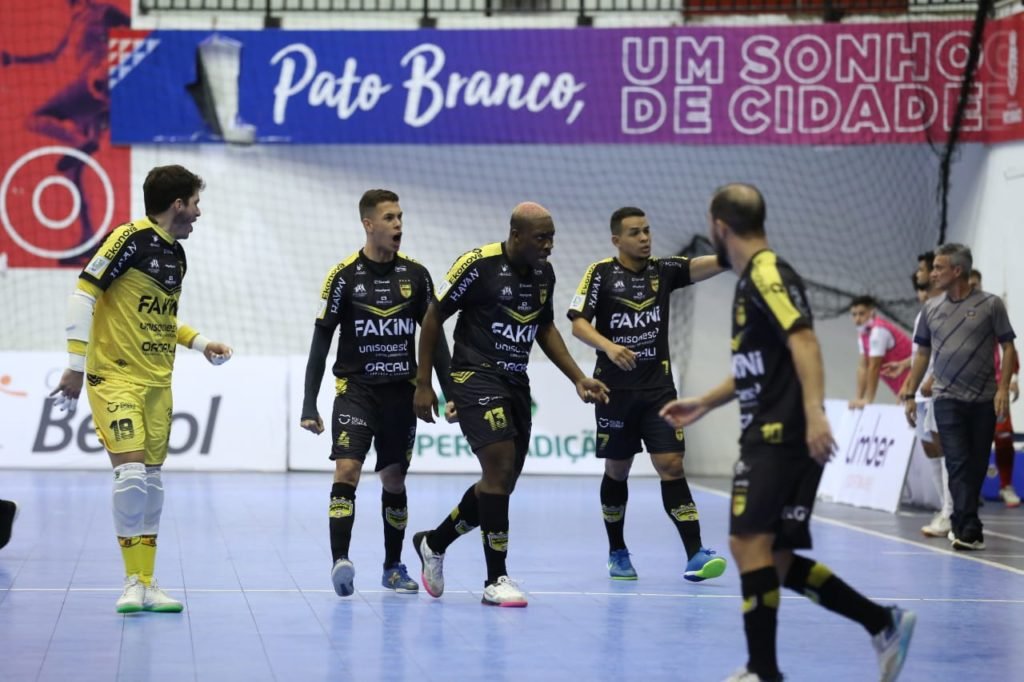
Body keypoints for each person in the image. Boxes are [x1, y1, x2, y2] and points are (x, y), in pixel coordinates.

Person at [660, 184, 915, 682]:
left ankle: (764, 671)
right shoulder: (751, 279)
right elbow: (761, 363)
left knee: (747, 544)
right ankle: (882, 623)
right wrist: (705, 402)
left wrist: (816, 415)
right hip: (770, 429)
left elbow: (803, 341)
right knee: (770, 555)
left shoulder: (767, 273)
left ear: (719, 226)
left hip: (782, 433)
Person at [49, 165, 233, 614]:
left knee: (151, 482)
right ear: (177, 205)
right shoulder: (127, 238)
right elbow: (83, 294)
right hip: (115, 376)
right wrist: (75, 366)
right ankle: (131, 581)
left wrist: (200, 342)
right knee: (130, 476)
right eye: (195, 203)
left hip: (157, 382)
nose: (198, 213)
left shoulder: (177, 255)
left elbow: (161, 317)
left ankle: (148, 583)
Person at [410, 202, 610, 608]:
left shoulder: (544, 274)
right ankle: (495, 578)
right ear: (516, 235)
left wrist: (578, 377)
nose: (549, 245)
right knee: (498, 470)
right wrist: (424, 382)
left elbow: (545, 327)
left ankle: (434, 542)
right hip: (473, 377)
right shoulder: (477, 264)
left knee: (499, 486)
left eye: (552, 236)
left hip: (516, 382)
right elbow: (433, 317)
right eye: (542, 237)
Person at [300, 189, 452, 597]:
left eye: (400, 217)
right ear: (368, 224)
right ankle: (340, 561)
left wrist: (448, 388)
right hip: (356, 392)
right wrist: (308, 403)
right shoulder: (343, 276)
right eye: (389, 218)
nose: (398, 225)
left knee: (394, 478)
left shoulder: (417, 276)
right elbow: (320, 342)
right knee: (346, 469)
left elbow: (434, 339)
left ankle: (392, 565)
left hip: (401, 396)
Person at [566, 206, 727, 582]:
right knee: (617, 470)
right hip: (614, 392)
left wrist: (732, 254)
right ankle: (617, 551)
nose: (644, 238)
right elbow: (577, 324)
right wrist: (609, 346)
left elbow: (699, 266)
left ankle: (695, 554)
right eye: (635, 232)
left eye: (647, 231)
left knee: (671, 465)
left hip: (659, 392)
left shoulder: (664, 271)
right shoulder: (601, 273)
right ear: (616, 239)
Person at [902, 244, 1017, 550]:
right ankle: (966, 526)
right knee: (956, 461)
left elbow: (1008, 348)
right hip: (946, 398)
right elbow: (923, 353)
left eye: (939, 268)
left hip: (984, 399)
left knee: (976, 463)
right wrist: (910, 391)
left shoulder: (991, 305)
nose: (933, 274)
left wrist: (1003, 388)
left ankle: (967, 525)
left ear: (957, 271)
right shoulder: (931, 310)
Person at [1, 0, 131, 262]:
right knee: (74, 171)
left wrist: (111, 69)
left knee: (35, 118)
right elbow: (53, 56)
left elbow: (134, 32)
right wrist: (14, 59)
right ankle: (87, 241)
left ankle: (80, 141)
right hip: (93, 91)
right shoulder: (76, 18)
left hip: (95, 84)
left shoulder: (103, 11)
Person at [968, 269, 1020, 508]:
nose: (972, 288)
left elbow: (1009, 346)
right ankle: (971, 490)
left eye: (976, 284)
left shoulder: (992, 310)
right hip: (966, 389)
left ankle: (1006, 485)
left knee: (1003, 437)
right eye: (968, 284)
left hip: (995, 387)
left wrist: (1013, 377)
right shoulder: (955, 316)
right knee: (969, 442)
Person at [847, 295, 911, 409]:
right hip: (902, 388)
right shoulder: (863, 334)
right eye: (854, 314)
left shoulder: (878, 331)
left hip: (915, 382)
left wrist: (868, 400)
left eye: (861, 314)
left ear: (871, 313)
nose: (857, 319)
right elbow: (863, 367)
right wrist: (858, 398)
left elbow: (874, 366)